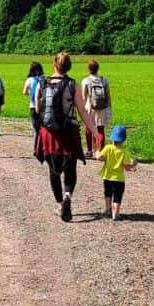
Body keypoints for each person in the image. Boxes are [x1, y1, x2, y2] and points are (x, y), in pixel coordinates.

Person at [34, 51, 99, 222]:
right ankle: (68, 195)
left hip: (48, 133)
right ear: (69, 66)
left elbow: (38, 109)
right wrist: (95, 132)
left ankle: (59, 204)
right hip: (68, 132)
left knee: (53, 170)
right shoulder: (72, 85)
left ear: (54, 64)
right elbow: (82, 111)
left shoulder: (43, 83)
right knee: (70, 168)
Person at [94, 124, 137, 220]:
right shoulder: (124, 152)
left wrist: (97, 151)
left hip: (107, 177)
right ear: (124, 139)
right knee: (117, 196)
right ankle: (115, 214)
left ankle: (108, 210)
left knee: (108, 193)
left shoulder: (108, 148)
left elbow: (100, 158)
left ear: (112, 137)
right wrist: (133, 165)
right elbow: (127, 167)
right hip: (119, 179)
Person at [81, 59, 111, 158]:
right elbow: (108, 96)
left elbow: (84, 97)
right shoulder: (104, 80)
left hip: (90, 107)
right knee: (100, 129)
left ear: (89, 69)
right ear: (98, 68)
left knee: (88, 128)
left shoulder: (86, 81)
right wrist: (109, 109)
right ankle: (101, 152)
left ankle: (89, 151)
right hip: (102, 108)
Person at [22, 61, 44, 144]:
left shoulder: (29, 80)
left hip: (33, 106)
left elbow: (24, 92)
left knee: (36, 128)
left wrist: (31, 93)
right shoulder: (43, 79)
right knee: (43, 127)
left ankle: (36, 147)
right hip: (43, 106)